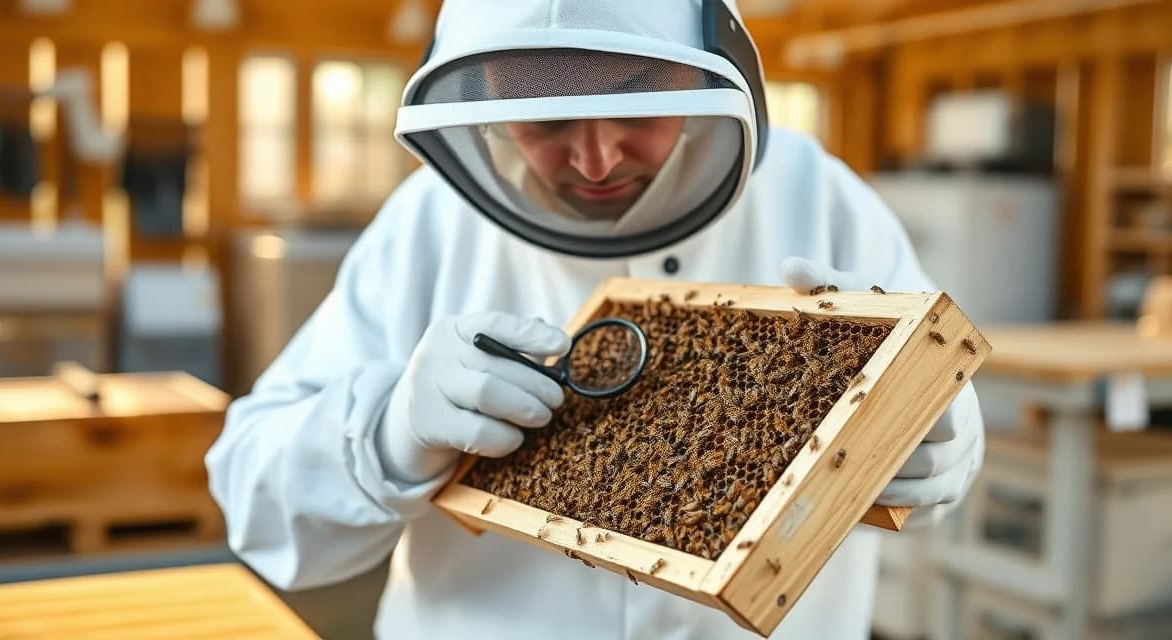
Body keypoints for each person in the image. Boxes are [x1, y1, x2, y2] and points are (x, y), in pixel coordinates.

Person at [206, 1, 985, 637]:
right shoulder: (428, 224)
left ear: (707, 72)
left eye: (642, 102)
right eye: (543, 121)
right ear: (484, 97)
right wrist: (384, 432)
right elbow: (253, 497)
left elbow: (935, 398)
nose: (596, 159)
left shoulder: (819, 195)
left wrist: (939, 441)